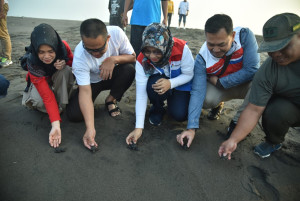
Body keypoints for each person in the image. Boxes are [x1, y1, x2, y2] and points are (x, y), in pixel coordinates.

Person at [219, 13, 300, 159]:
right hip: (293, 109)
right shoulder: (269, 70)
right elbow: (253, 109)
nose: (276, 54)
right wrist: (233, 140)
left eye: (283, 46)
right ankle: (274, 142)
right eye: (271, 48)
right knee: (275, 110)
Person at [177, 14, 260, 148]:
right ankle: (217, 105)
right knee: (204, 98)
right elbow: (197, 92)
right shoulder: (201, 58)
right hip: (221, 88)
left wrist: (221, 82)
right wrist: (191, 128)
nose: (215, 50)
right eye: (211, 44)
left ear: (232, 35)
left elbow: (252, 69)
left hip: (243, 85)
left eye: (222, 44)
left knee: (260, 84)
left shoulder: (244, 36)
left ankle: (236, 125)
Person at [66, 18, 135, 150]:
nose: (95, 54)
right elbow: (85, 92)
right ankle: (77, 95)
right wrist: (90, 129)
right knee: (74, 115)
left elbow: (132, 57)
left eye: (100, 49)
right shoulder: (80, 56)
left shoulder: (116, 33)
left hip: (112, 74)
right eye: (90, 50)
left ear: (108, 38)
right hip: (92, 82)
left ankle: (111, 99)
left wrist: (113, 59)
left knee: (129, 69)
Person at [126, 23, 194, 145]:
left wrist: (171, 83)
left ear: (166, 45)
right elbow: (141, 94)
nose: (152, 56)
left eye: (157, 51)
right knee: (153, 85)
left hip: (179, 82)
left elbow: (189, 74)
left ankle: (174, 102)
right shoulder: (142, 59)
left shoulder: (182, 49)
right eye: (147, 51)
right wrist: (138, 128)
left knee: (179, 115)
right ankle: (157, 108)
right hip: (159, 83)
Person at [22, 23, 74, 148]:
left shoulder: (63, 46)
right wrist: (55, 125)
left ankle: (60, 107)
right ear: (35, 50)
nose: (46, 56)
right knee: (40, 102)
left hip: (57, 77)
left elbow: (74, 63)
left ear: (56, 47)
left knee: (65, 70)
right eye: (41, 52)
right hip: (41, 81)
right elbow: (47, 95)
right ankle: (56, 110)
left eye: (51, 51)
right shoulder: (32, 62)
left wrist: (65, 62)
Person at [0, 0, 12, 67]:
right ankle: (2, 57)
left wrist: (1, 10)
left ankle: (7, 59)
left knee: (3, 33)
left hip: (1, 5)